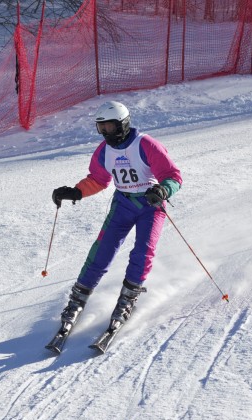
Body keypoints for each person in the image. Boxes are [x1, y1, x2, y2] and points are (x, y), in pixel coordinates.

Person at [51, 100, 182, 335]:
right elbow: (98, 179)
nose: (105, 133)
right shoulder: (104, 151)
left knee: (143, 251)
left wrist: (163, 190)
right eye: (101, 128)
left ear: (122, 124)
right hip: (123, 203)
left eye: (109, 127)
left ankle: (128, 298)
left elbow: (173, 176)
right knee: (102, 251)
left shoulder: (146, 144)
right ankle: (77, 299)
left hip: (150, 204)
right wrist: (76, 192)